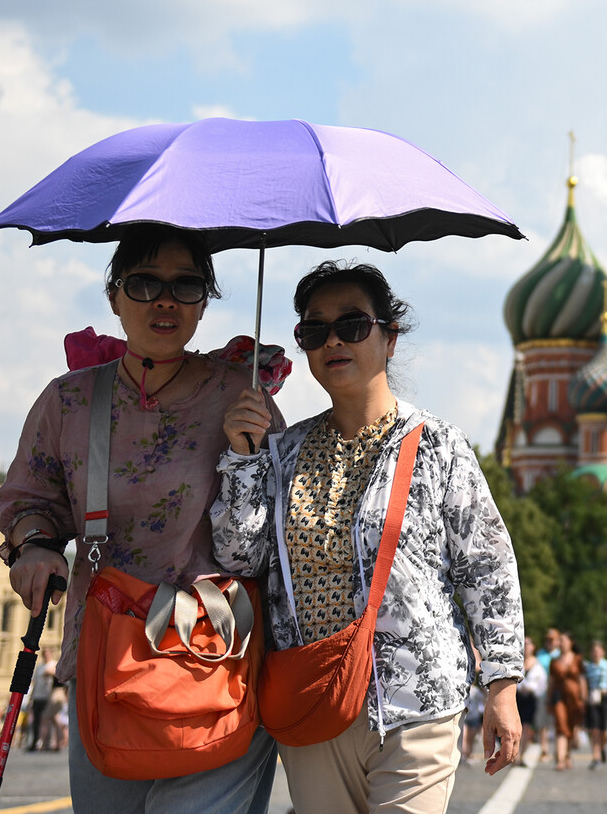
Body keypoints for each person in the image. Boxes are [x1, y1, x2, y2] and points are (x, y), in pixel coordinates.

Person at [212, 260, 524, 813]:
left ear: (389, 338)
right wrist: (242, 458)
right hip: (313, 700)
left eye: (352, 324)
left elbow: (487, 568)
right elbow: (240, 556)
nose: (333, 340)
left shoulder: (440, 446)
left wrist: (501, 687)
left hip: (415, 698)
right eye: (314, 330)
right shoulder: (282, 451)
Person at [0, 223, 280, 814]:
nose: (166, 300)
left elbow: (278, 534)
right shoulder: (69, 401)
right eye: (145, 283)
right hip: (108, 664)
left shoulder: (242, 395)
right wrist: (37, 546)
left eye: (187, 285)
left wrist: (250, 452)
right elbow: (27, 499)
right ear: (114, 297)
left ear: (206, 302)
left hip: (216, 660)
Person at [547, 632, 586, 771]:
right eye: (560, 640)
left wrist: (583, 698)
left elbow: (581, 679)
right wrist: (548, 698)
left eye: (563, 640)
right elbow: (551, 681)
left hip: (574, 698)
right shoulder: (554, 661)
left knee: (570, 725)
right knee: (561, 725)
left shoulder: (577, 659)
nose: (561, 643)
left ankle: (567, 754)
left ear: (571, 643)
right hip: (559, 696)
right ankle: (561, 759)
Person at [583, 640, 607, 769]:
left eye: (598, 651)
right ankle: (595, 756)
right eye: (593, 651)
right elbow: (585, 684)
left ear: (603, 652)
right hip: (593, 697)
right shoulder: (588, 667)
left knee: (604, 730)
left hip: (605, 697)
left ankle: (602, 747)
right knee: (594, 728)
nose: (596, 653)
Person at [516, 637, 547, 765]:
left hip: (530, 699)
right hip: (516, 697)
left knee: (526, 727)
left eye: (528, 644)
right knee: (515, 726)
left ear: (533, 647)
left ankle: (521, 755)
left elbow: (542, 684)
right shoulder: (517, 662)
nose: (526, 646)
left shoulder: (538, 664)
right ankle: (513, 754)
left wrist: (532, 690)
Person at [536, 628, 561, 762]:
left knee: (558, 721)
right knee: (543, 722)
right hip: (543, 691)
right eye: (547, 640)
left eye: (552, 640)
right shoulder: (540, 654)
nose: (549, 642)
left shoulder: (560, 654)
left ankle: (559, 750)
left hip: (557, 692)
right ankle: (544, 749)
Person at [26, 649, 53, 751]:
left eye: (48, 654)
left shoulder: (54, 665)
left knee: (46, 721)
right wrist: (31, 697)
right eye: (45, 654)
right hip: (38, 696)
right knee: (36, 721)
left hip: (47, 696)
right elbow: (35, 682)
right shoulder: (39, 667)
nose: (46, 656)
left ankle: (47, 743)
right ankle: (34, 742)